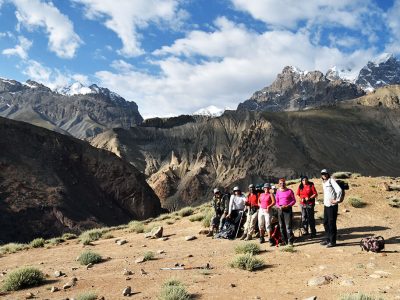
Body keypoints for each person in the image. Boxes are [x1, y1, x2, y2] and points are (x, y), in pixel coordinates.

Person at [320, 169, 342, 248]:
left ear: (327, 174)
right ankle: (328, 239)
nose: (324, 175)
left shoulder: (331, 181)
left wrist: (337, 200)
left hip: (332, 206)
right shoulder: (323, 182)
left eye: (325, 173)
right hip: (326, 205)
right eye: (322, 174)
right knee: (326, 223)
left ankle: (332, 241)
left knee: (331, 223)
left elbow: (339, 190)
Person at [275, 178, 296, 246]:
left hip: (288, 209)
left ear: (285, 183)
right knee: (281, 226)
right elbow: (276, 202)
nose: (282, 184)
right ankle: (284, 241)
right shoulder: (278, 191)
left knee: (288, 226)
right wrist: (279, 206)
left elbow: (294, 200)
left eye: (283, 183)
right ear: (279, 184)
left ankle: (290, 241)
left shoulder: (289, 191)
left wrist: (288, 205)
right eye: (280, 183)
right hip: (280, 209)